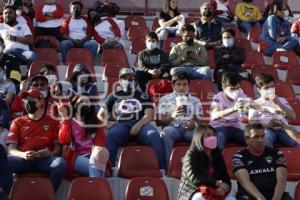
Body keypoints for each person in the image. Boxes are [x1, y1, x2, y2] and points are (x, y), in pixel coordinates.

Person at [97, 67, 166, 169]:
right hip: (122, 124)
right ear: (120, 80)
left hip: (141, 124)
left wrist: (138, 124)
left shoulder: (143, 95)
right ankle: (109, 168)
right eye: (126, 77)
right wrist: (107, 123)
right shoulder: (114, 95)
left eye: (132, 77)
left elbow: (149, 114)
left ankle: (162, 169)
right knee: (111, 136)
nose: (129, 80)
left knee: (153, 135)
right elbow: (100, 115)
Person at [7, 89, 67, 192]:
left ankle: (47, 195)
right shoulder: (17, 122)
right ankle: (11, 195)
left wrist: (49, 154)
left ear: (41, 101)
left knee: (60, 163)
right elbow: (11, 149)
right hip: (23, 160)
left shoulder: (53, 122)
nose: (28, 101)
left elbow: (58, 149)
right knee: (4, 161)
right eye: (26, 99)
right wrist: (23, 154)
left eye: (31, 98)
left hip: (44, 160)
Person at [233, 122, 292, 200]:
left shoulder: (277, 153)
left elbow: (282, 180)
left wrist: (276, 199)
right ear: (247, 139)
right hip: (250, 196)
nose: (260, 140)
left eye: (262, 136)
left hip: (275, 196)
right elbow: (245, 182)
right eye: (256, 137)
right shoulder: (238, 157)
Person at [158, 72, 203, 166]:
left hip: (190, 129)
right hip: (173, 127)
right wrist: (173, 116)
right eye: (178, 84)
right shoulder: (165, 99)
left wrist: (194, 124)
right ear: (173, 86)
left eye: (184, 84)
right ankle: (168, 166)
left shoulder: (195, 100)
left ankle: (197, 168)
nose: (182, 87)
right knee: (166, 132)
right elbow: (159, 121)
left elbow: (200, 121)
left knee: (202, 135)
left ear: (188, 86)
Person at [58, 95, 108, 177]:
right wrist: (65, 118)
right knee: (96, 166)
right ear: (74, 104)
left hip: (94, 155)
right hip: (76, 157)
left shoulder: (96, 123)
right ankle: (98, 185)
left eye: (87, 102)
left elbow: (100, 144)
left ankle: (96, 184)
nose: (84, 104)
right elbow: (64, 140)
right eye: (81, 101)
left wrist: (94, 155)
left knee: (98, 157)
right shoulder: (69, 121)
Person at [178, 124, 231, 200]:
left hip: (214, 192)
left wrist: (224, 189)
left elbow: (226, 180)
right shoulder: (191, 154)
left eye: (213, 135)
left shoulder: (217, 155)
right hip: (193, 192)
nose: (212, 137)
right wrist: (217, 183)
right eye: (208, 135)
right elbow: (195, 178)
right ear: (200, 138)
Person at [249, 73, 300, 147]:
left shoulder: (282, 100)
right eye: (266, 88)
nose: (270, 89)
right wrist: (267, 125)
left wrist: (279, 103)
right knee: (264, 140)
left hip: (283, 128)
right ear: (259, 89)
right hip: (266, 129)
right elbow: (252, 122)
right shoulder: (255, 103)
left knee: (297, 141)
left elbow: (293, 117)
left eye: (272, 86)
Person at [210, 72, 249, 150]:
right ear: (224, 88)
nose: (236, 91)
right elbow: (214, 116)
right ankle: (219, 160)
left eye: (237, 88)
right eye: (232, 89)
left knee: (251, 137)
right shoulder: (218, 97)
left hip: (236, 128)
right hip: (220, 127)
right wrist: (233, 109)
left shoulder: (241, 94)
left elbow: (244, 115)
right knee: (220, 137)